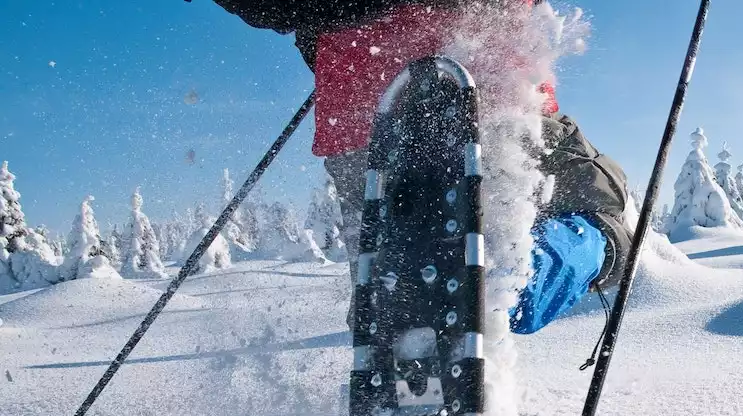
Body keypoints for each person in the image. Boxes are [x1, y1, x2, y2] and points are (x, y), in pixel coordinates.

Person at [202, 0, 633, 333]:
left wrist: (324, 34)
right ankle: (516, 276)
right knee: (603, 223)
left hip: (362, 112)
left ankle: (406, 388)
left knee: (394, 301)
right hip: (493, 88)